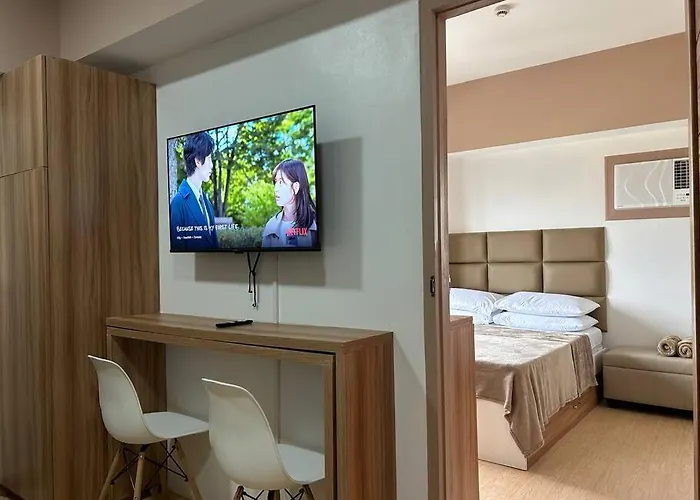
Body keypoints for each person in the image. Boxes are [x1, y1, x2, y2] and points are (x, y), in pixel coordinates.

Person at [169, 132, 219, 251]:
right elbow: (178, 252)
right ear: (198, 161)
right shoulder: (178, 203)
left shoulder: (206, 202)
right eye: (209, 159)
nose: (212, 165)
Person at [262, 159, 318, 248]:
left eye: (281, 182)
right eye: (275, 182)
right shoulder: (271, 226)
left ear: (296, 187)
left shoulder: (315, 223)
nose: (276, 189)